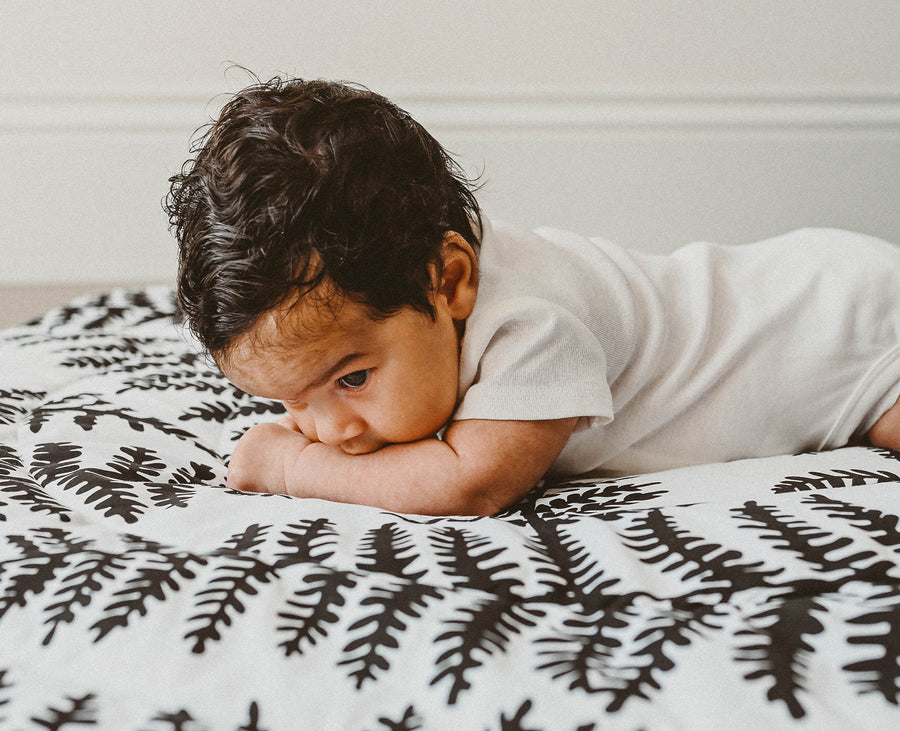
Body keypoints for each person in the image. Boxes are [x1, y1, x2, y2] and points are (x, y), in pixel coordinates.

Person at [166, 76, 900, 516]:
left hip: (839, 329)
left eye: (351, 380)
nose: (331, 432)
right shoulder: (407, 285)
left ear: (449, 281)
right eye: (288, 403)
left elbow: (471, 484)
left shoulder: (535, 323)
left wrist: (294, 470)